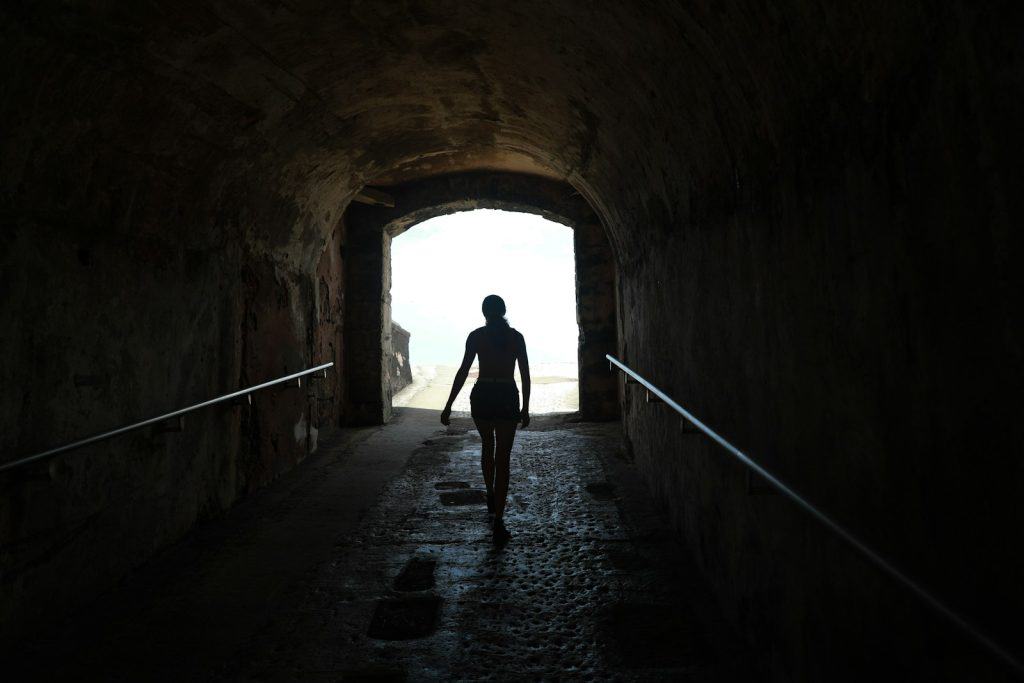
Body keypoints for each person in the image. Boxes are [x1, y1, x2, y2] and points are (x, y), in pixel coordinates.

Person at [440, 294, 530, 542]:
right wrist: (526, 407)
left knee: (487, 447)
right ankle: (499, 518)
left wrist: (448, 405)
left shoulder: (477, 336)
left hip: (482, 394)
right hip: (506, 394)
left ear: (484, 313)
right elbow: (525, 374)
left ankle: (490, 491)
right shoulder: (516, 337)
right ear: (503, 310)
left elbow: (463, 371)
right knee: (503, 458)